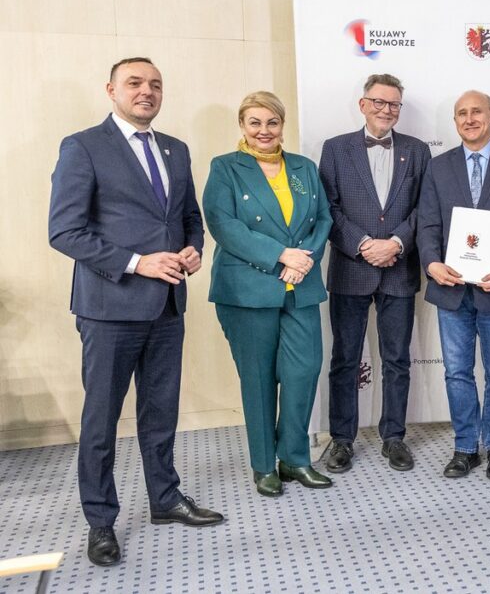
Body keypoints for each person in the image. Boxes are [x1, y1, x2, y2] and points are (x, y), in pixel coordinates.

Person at [48, 57, 222, 568]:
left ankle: (165, 499)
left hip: (168, 305)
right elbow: (64, 232)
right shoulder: (83, 147)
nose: (147, 91)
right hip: (109, 308)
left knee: (160, 410)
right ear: (111, 90)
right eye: (135, 83)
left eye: (156, 84)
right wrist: (136, 262)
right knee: (101, 418)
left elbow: (190, 218)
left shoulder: (175, 148)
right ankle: (100, 520)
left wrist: (193, 249)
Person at [203, 91, 333, 497]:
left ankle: (294, 458)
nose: (264, 131)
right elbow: (224, 225)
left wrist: (303, 259)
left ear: (282, 125)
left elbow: (323, 218)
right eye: (255, 122)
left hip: (302, 285)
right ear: (243, 125)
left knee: (304, 370)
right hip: (247, 288)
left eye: (271, 122)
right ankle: (264, 466)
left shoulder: (302, 167)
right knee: (258, 379)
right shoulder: (226, 168)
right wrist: (280, 257)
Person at [416, 90, 490, 480]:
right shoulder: (437, 167)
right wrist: (432, 263)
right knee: (456, 371)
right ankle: (465, 447)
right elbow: (427, 225)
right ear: (455, 121)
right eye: (462, 114)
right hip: (449, 288)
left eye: (477, 112)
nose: (470, 119)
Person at [318, 74, 431, 474]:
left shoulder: (418, 152)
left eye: (394, 104)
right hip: (351, 268)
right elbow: (327, 208)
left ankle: (394, 436)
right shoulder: (335, 149)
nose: (387, 110)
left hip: (399, 269)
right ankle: (342, 440)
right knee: (345, 358)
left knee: (397, 358)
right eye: (379, 102)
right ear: (363, 104)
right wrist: (364, 244)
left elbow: (425, 209)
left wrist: (396, 243)